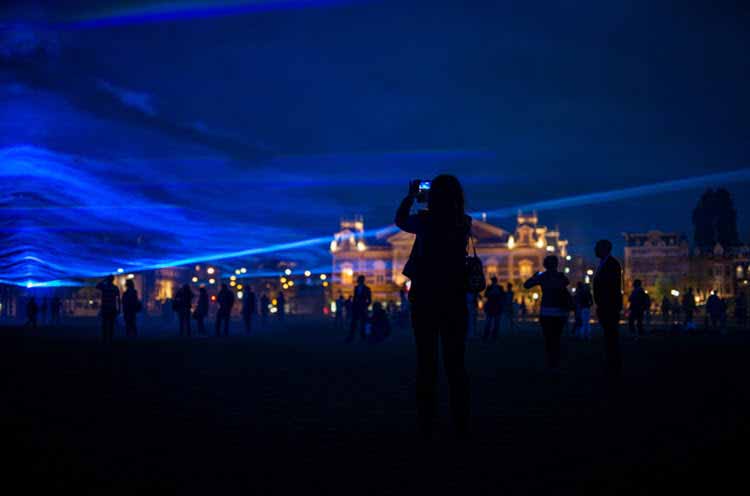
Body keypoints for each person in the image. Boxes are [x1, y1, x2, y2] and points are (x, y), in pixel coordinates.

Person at [395, 175, 471, 438]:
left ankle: (427, 419)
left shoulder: (426, 221)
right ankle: (460, 418)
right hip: (454, 297)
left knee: (426, 360)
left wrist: (411, 196)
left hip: (426, 296)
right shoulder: (464, 221)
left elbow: (401, 220)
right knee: (455, 362)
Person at [524, 256, 571, 370]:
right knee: (557, 337)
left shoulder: (543, 276)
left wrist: (535, 276)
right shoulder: (561, 276)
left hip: (546, 311)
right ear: (556, 264)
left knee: (548, 338)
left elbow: (527, 285)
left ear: (545, 265)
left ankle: (550, 361)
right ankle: (556, 360)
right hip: (559, 312)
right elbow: (566, 283)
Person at [592, 239, 623, 380]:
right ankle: (612, 360)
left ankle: (613, 363)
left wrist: (607, 303)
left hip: (609, 305)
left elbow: (612, 287)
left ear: (604, 249)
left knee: (611, 334)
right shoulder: (605, 263)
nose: (595, 250)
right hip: (605, 305)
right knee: (609, 334)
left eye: (597, 248)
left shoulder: (612, 264)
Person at [96, 275, 120, 343]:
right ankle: (110, 338)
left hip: (105, 307)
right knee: (111, 324)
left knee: (104, 324)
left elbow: (97, 286)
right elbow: (118, 299)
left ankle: (104, 338)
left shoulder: (104, 287)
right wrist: (119, 309)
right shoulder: (115, 288)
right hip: (112, 307)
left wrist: (104, 280)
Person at [347, 275, 371, 342]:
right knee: (354, 323)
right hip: (357, 308)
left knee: (362, 323)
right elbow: (355, 298)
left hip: (362, 308)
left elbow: (369, 300)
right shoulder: (356, 288)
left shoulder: (366, 289)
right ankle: (352, 336)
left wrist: (365, 306)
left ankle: (362, 336)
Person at [482, 277, 504, 342]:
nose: (493, 282)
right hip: (491, 306)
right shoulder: (490, 287)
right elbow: (485, 295)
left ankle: (493, 335)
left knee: (495, 322)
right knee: (489, 322)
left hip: (496, 306)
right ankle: (487, 334)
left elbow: (502, 296)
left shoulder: (499, 288)